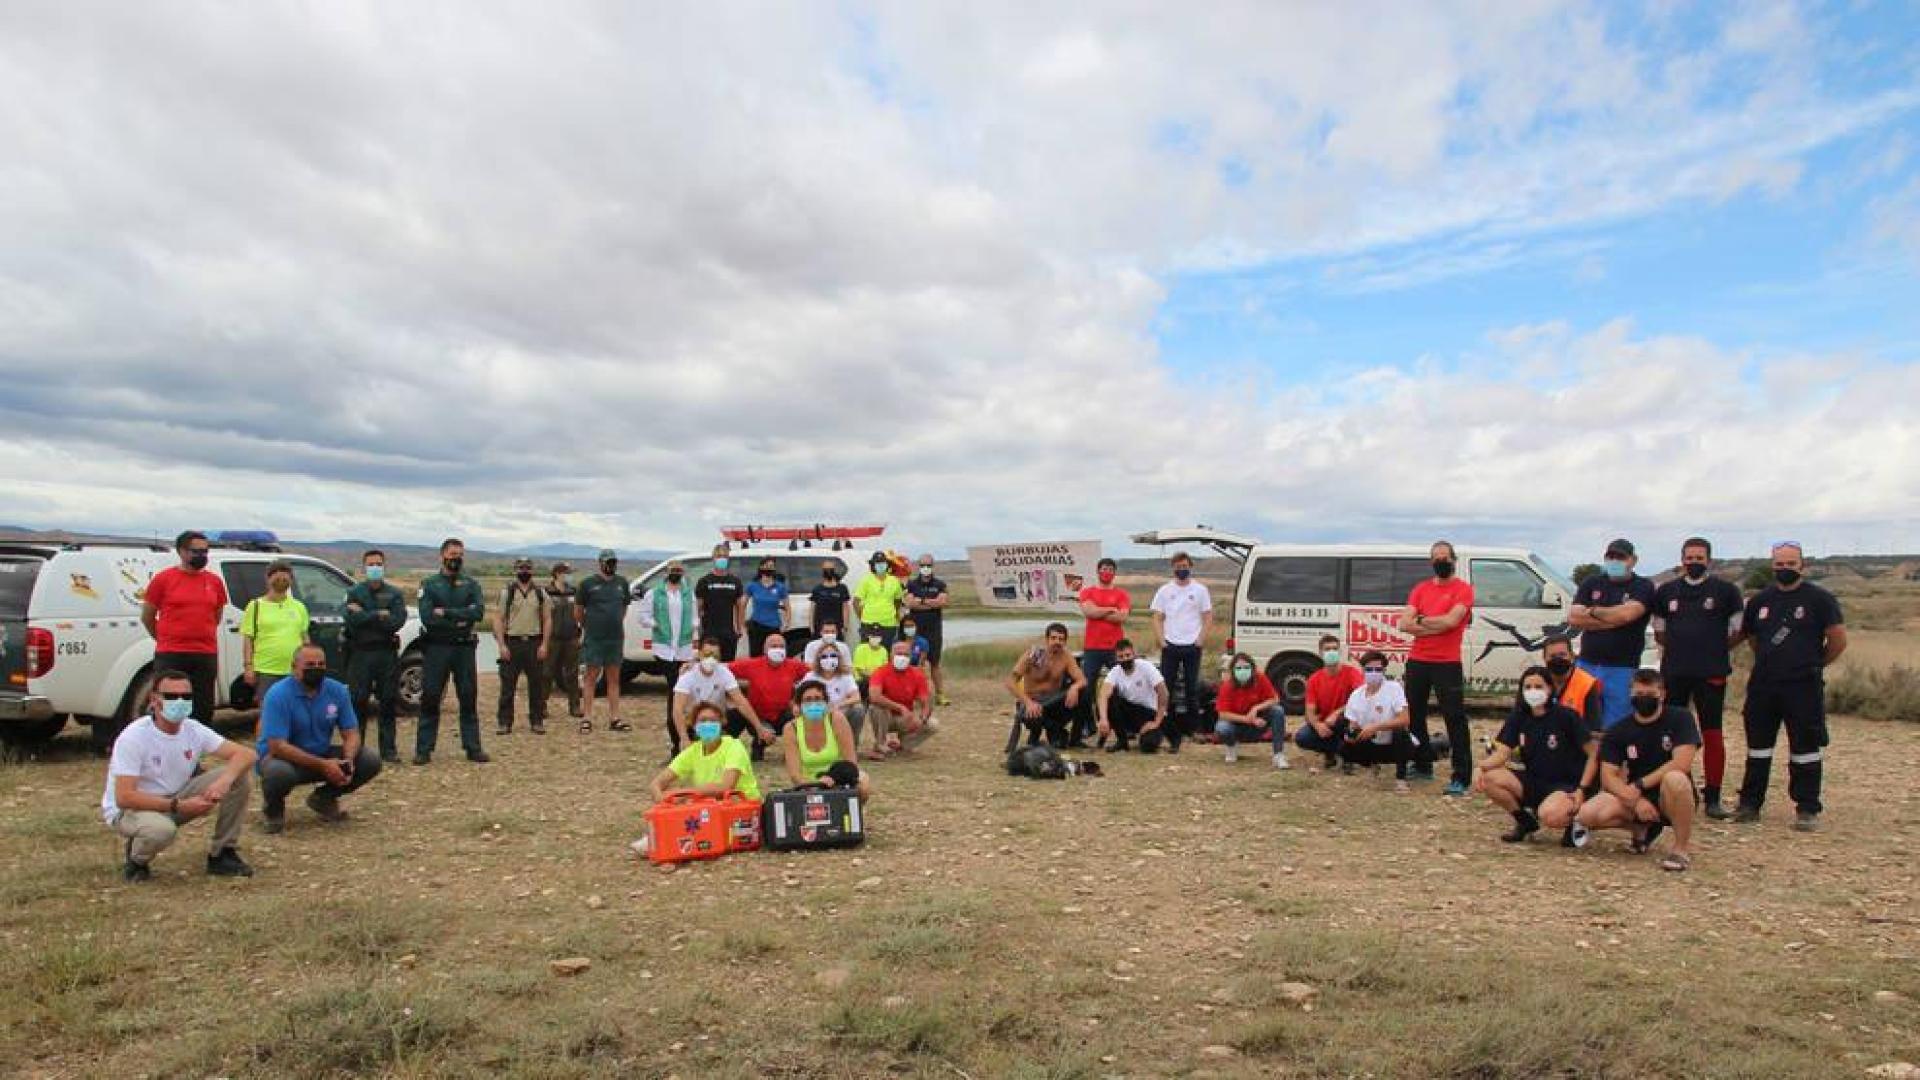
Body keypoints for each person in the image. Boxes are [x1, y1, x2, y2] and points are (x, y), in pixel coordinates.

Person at [102, 668, 258, 881]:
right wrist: (179, 806)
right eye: (172, 696)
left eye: (186, 696)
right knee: (162, 831)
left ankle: (223, 853)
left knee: (239, 776)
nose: (180, 701)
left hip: (176, 797)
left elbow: (246, 754)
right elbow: (124, 797)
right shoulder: (134, 737)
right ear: (154, 700)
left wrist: (224, 781)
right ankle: (137, 860)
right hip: (132, 809)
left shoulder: (193, 729)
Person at [1734, 541, 1846, 831]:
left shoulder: (1820, 599)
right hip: (1764, 685)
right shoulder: (1760, 601)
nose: (1785, 569)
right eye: (1779, 564)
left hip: (1803, 686)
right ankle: (1749, 804)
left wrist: (1814, 664)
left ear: (1802, 565)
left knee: (1805, 748)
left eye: (1790, 564)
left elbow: (1837, 640)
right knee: (1758, 747)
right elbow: (1752, 638)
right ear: (1772, 566)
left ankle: (1807, 808)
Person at [1652, 538, 1745, 820]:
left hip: (1711, 673)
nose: (1694, 562)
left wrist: (1711, 649)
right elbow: (1659, 632)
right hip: (1674, 672)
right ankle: (1682, 789)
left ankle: (1713, 798)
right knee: (1673, 735)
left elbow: (1737, 631)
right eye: (1689, 557)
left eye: (1699, 557)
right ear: (1682, 560)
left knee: (1712, 733)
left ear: (1709, 560)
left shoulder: (1726, 592)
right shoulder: (1666, 591)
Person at [1576, 669, 1700, 871]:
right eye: (1638, 695)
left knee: (1675, 779)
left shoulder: (1681, 718)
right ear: (1630, 695)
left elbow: (1682, 763)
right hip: (1635, 794)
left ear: (1662, 694)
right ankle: (1641, 827)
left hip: (1669, 794)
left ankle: (1680, 849)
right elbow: (1608, 776)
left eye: (1650, 695)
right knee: (1587, 814)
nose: (1644, 699)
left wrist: (1641, 784)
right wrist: (1635, 800)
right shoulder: (1618, 730)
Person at [257, 644, 383, 833]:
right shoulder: (278, 694)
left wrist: (347, 760)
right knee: (278, 773)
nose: (315, 669)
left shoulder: (337, 690)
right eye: (309, 664)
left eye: (320, 664)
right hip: (284, 759)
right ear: (294, 667)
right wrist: (324, 765)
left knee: (369, 759)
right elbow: (277, 746)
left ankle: (323, 798)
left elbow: (351, 732)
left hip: (320, 752)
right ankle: (273, 810)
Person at [1471, 666, 1595, 844]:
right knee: (1490, 777)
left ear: (1550, 688)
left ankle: (1576, 821)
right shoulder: (1519, 717)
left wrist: (1582, 789)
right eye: (1527, 687)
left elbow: (1593, 754)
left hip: (1566, 784)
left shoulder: (1567, 716)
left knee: (1550, 816)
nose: (1533, 692)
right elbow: (1502, 753)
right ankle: (1524, 821)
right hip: (1534, 780)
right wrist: (1481, 767)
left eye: (1538, 686)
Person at [1401, 540, 1475, 794]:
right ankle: (1422, 764)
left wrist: (1421, 621)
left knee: (1454, 719)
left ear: (1453, 560)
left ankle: (1461, 777)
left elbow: (1452, 621)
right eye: (1436, 558)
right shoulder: (1420, 589)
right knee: (1415, 715)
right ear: (1431, 562)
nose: (1440, 562)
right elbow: (1404, 624)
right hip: (1418, 660)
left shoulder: (1463, 590)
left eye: (1445, 557)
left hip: (1447, 663)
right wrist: (1436, 623)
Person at [141, 530, 228, 727]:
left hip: (205, 654)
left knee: (203, 708)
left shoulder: (214, 582)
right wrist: (164, 638)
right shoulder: (164, 579)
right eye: (195, 551)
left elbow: (216, 615)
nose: (201, 556)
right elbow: (147, 616)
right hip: (172, 653)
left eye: (205, 551)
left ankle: (194, 752)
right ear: (181, 551)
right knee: (169, 707)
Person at [1568, 538, 1657, 730]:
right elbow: (1574, 618)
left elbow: (1628, 614)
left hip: (1622, 667)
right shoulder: (1592, 582)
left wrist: (1592, 611)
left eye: (1621, 557)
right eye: (1611, 556)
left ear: (1633, 560)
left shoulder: (1642, 586)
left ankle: (1611, 759)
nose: (1615, 561)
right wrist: (1614, 619)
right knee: (1581, 719)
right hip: (1587, 663)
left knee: (1616, 724)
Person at [416, 538, 488, 765]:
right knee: (430, 697)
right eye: (452, 554)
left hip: (463, 648)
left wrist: (445, 613)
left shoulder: (471, 584)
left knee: (468, 697)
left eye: (460, 555)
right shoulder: (429, 584)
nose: (456, 558)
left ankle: (473, 747)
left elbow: (477, 613)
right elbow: (428, 617)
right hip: (437, 647)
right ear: (442, 556)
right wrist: (459, 615)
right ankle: (424, 749)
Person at [344, 549, 407, 764]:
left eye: (378, 564)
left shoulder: (394, 594)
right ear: (363, 567)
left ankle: (388, 750)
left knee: (387, 702)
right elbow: (351, 621)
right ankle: (357, 750)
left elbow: (397, 621)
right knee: (357, 703)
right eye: (370, 564)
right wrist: (379, 614)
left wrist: (364, 614)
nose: (374, 568)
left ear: (384, 566)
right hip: (361, 654)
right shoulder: (354, 592)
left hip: (386, 654)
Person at [1150, 552, 1212, 746]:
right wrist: (1162, 641)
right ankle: (1164, 727)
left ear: (1190, 566)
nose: (1181, 569)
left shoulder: (1200, 590)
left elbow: (1208, 616)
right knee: (1165, 687)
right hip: (1170, 644)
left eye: (1184, 565)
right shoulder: (1165, 590)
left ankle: (1194, 729)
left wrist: (1200, 639)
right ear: (1173, 568)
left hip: (1192, 645)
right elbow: (1157, 617)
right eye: (1177, 566)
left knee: (1191, 688)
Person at [649, 701, 762, 802]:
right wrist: (660, 797)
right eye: (703, 720)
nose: (708, 724)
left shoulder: (734, 747)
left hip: (743, 807)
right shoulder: (693, 752)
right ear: (694, 726)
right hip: (711, 809)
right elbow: (657, 783)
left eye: (713, 720)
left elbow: (726, 787)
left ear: (721, 723)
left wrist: (683, 793)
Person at [671, 639, 768, 754]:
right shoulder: (688, 674)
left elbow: (741, 701)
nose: (711, 659)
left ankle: (722, 742)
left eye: (715, 656)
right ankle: (685, 745)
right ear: (700, 654)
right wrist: (684, 737)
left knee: (739, 714)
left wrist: (759, 727)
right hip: (694, 720)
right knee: (674, 714)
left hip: (717, 719)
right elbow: (678, 708)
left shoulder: (724, 672)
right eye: (707, 655)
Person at [781, 681, 871, 800]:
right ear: (799, 705)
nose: (813, 703)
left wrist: (832, 779)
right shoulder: (791, 728)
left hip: (839, 778)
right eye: (808, 700)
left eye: (818, 699)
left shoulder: (836, 719)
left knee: (863, 783)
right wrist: (816, 784)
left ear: (826, 702)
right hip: (808, 783)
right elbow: (795, 775)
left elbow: (851, 762)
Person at [1006, 623, 1089, 752]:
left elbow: (1082, 680)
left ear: (1065, 642)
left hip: (1054, 703)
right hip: (1033, 702)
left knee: (1084, 693)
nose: (1057, 642)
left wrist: (1075, 688)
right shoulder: (1034, 654)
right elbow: (1010, 682)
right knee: (1034, 716)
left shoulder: (1066, 656)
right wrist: (1028, 702)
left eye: (1061, 639)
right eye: (1054, 638)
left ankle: (1075, 738)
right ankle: (1044, 734)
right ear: (1047, 639)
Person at [493, 557, 551, 735]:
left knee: (536, 685)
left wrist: (545, 645)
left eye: (527, 568)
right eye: (521, 568)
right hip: (512, 642)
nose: (524, 571)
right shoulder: (507, 593)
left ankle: (537, 721)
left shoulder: (541, 593)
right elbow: (498, 619)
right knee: (507, 686)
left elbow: (548, 619)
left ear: (532, 570)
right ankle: (504, 722)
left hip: (534, 643)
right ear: (515, 570)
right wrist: (501, 644)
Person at [643, 559, 698, 748]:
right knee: (675, 690)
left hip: (684, 647)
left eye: (679, 571)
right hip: (664, 648)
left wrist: (694, 629)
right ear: (667, 572)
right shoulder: (654, 593)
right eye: (673, 570)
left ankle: (683, 733)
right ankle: (678, 736)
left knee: (680, 692)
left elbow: (695, 617)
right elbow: (644, 617)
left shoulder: (688, 593)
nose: (676, 573)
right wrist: (656, 625)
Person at [576, 549, 631, 734]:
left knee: (614, 678)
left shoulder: (622, 583)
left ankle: (615, 718)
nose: (611, 565)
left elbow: (623, 609)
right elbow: (578, 611)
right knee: (591, 677)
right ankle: (587, 717)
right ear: (600, 563)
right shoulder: (587, 584)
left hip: (615, 638)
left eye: (614, 562)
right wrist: (589, 626)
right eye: (608, 562)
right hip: (594, 638)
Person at [1341, 651, 1413, 793]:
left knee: (1400, 732)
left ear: (1384, 670)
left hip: (1394, 744)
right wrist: (1352, 734)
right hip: (1371, 743)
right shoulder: (1356, 695)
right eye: (1369, 669)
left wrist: (1375, 727)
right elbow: (1352, 724)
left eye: (1378, 669)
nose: (1373, 673)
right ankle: (1370, 766)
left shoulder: (1394, 688)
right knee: (1345, 743)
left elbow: (1405, 719)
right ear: (1362, 670)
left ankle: (1401, 779)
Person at [728, 636, 809, 761]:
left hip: (781, 714)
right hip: (756, 716)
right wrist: (700, 664)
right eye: (773, 646)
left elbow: (815, 670)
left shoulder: (793, 665)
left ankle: (795, 751)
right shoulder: (752, 664)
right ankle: (728, 747)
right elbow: (725, 668)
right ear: (765, 650)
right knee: (734, 715)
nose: (778, 649)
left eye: (781, 646)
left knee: (801, 718)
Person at [240, 560, 309, 703]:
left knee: (295, 710)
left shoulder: (299, 607)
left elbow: (305, 638)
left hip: (294, 671)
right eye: (276, 574)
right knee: (269, 712)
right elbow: (248, 640)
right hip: (266, 671)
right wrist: (248, 667)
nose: (281, 578)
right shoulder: (255, 606)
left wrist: (308, 664)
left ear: (291, 579)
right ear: (268, 578)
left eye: (285, 575)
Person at [1078, 557, 1131, 738]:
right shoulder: (1087, 592)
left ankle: (1124, 726)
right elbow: (1088, 612)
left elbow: (1122, 618)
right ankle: (1089, 725)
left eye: (1110, 569)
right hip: (1092, 647)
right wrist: (1110, 609)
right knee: (1086, 689)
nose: (1106, 572)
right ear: (1098, 571)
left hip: (1116, 649)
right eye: (1103, 568)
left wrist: (1098, 611)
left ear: (1114, 573)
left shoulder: (1122, 594)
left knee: (1122, 686)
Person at [1295, 635, 1362, 772]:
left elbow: (1361, 699)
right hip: (1325, 724)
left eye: (1334, 649)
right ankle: (1335, 752)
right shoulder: (1314, 679)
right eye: (1327, 649)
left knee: (1342, 721)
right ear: (1320, 653)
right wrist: (1317, 725)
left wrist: (1337, 713)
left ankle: (1347, 756)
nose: (1331, 652)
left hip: (1346, 720)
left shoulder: (1352, 673)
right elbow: (1309, 710)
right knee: (1302, 737)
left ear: (1339, 652)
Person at [1094, 638, 1169, 753]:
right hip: (1131, 712)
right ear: (1116, 658)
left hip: (1150, 713)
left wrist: (1157, 721)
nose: (1125, 659)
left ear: (1134, 654)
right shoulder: (1115, 671)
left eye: (1128, 655)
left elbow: (1163, 693)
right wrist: (1103, 719)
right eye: (1121, 657)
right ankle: (1122, 741)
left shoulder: (1146, 667)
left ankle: (1153, 735)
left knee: (1148, 746)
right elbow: (1103, 695)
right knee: (1108, 702)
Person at [867, 639, 939, 758]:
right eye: (898, 654)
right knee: (876, 708)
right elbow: (874, 697)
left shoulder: (917, 674)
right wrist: (900, 707)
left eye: (906, 654)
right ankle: (880, 743)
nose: (902, 657)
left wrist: (923, 718)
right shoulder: (880, 671)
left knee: (933, 724)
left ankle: (904, 745)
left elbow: (925, 701)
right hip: (886, 716)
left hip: (906, 718)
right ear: (891, 655)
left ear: (911, 656)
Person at [1215, 651, 1286, 767]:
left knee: (1278, 711)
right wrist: (1248, 719)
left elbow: (1275, 699)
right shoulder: (1227, 686)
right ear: (1232, 670)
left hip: (1259, 723)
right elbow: (1222, 714)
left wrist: (1256, 708)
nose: (1243, 671)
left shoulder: (1261, 678)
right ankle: (1231, 746)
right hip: (1237, 725)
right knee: (1222, 728)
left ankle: (1278, 754)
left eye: (1246, 667)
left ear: (1252, 669)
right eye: (1238, 668)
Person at [905, 554, 952, 705]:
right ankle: (915, 694)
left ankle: (940, 695)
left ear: (933, 566)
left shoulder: (940, 584)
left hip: (934, 629)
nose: (926, 568)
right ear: (919, 566)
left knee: (935, 663)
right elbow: (910, 603)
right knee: (917, 663)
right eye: (923, 565)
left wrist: (922, 601)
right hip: (916, 630)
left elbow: (943, 602)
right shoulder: (912, 584)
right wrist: (932, 602)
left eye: (928, 565)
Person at [543, 562, 584, 720]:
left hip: (571, 637)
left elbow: (580, 612)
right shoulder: (546, 592)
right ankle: (541, 706)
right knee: (546, 673)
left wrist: (580, 632)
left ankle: (575, 706)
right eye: (567, 573)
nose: (569, 576)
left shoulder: (574, 592)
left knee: (572, 674)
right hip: (552, 638)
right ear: (558, 573)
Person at [1540, 634, 1603, 731]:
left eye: (1562, 655)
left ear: (1572, 657)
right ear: (1544, 659)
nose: (1558, 659)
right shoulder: (1536, 681)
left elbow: (1594, 728)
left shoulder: (1587, 684)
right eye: (1552, 656)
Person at [695, 545, 746, 661]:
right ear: (713, 558)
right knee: (708, 664)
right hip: (709, 632)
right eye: (719, 556)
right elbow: (698, 607)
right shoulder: (704, 581)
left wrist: (740, 627)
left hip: (728, 632)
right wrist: (697, 629)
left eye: (725, 556)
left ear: (728, 559)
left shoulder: (735, 581)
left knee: (727, 666)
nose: (722, 559)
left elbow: (740, 607)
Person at [803, 643, 866, 733]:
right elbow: (800, 697)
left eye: (833, 655)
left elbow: (856, 697)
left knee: (858, 710)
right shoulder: (810, 676)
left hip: (841, 712)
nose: (829, 659)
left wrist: (838, 705)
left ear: (838, 658)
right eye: (824, 656)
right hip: (818, 712)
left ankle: (852, 743)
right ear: (818, 659)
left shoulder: (846, 676)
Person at [853, 552, 905, 646]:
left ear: (887, 564)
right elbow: (856, 601)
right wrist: (862, 616)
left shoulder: (894, 581)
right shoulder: (866, 580)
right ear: (873, 565)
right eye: (877, 563)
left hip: (889, 623)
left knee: (886, 652)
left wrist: (894, 613)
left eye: (882, 562)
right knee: (868, 651)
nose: (880, 565)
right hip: (868, 623)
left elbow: (898, 600)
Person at [744, 557, 791, 657]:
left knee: (774, 655)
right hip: (756, 626)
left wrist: (786, 623)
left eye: (771, 566)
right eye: (766, 566)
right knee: (756, 656)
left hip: (774, 626)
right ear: (761, 567)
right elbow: (742, 605)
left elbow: (787, 607)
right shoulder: (752, 586)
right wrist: (741, 623)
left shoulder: (780, 587)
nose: (768, 568)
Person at [809, 560, 852, 640]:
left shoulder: (842, 588)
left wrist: (845, 627)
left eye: (830, 569)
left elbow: (845, 608)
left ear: (834, 570)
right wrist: (811, 626)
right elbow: (812, 609)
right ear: (823, 571)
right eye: (826, 569)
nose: (828, 571)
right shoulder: (817, 589)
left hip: (837, 628)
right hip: (820, 628)